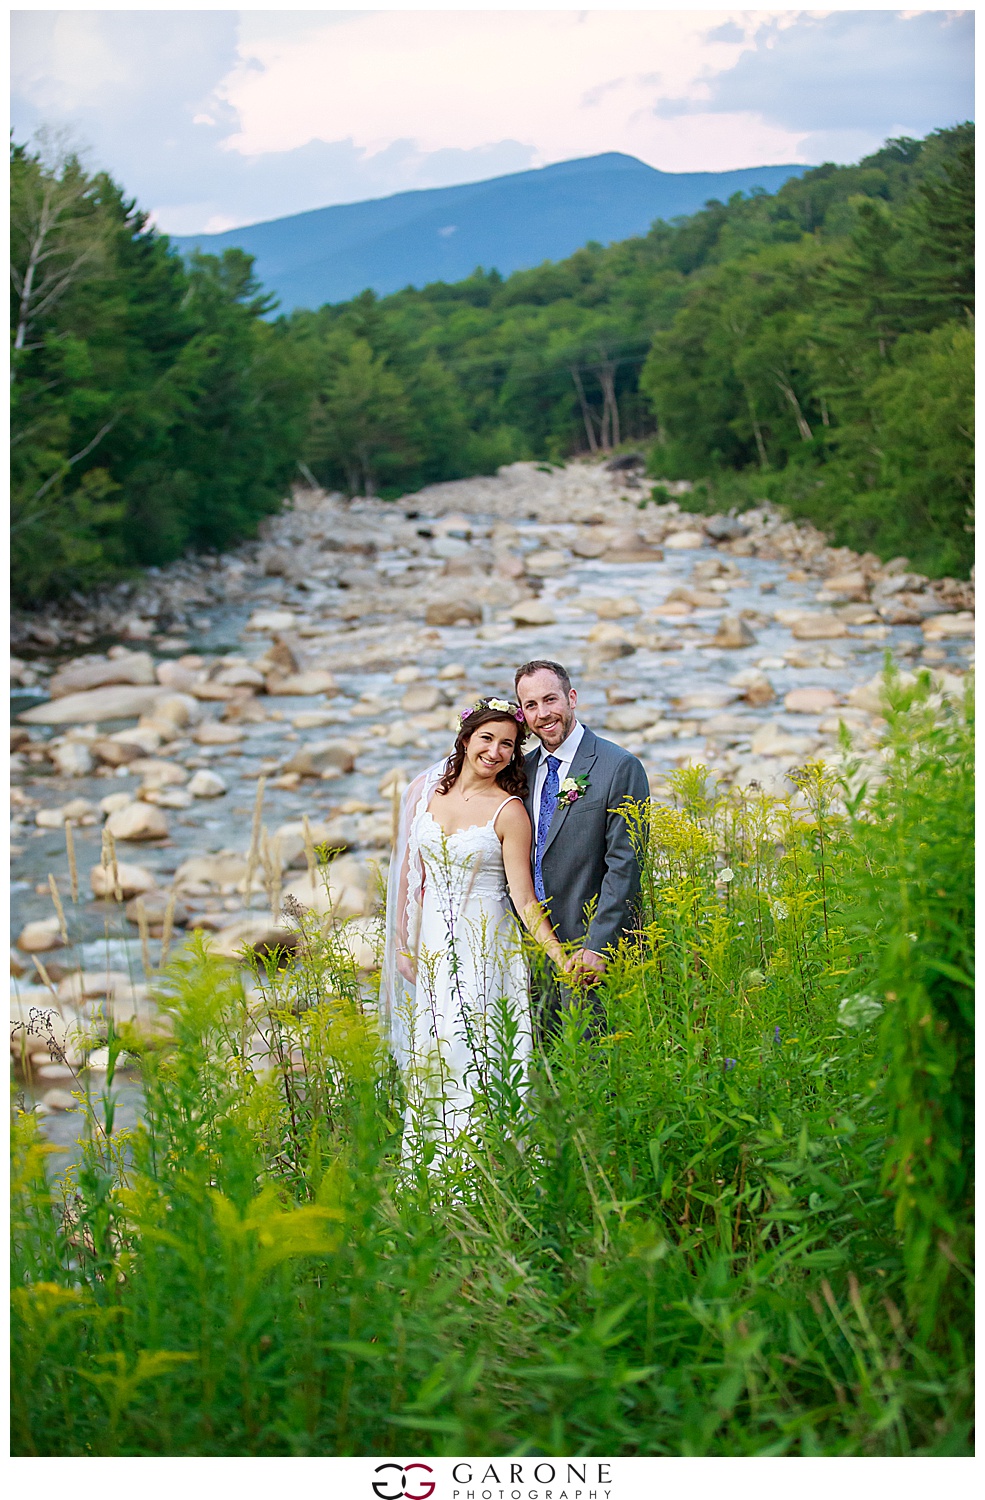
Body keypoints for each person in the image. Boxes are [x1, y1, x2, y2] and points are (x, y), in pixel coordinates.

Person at [380, 697, 564, 1147]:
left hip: (487, 945)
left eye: (508, 744)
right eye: (487, 738)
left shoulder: (510, 811)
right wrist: (404, 945)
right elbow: (409, 873)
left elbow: (523, 897)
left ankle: (489, 1165)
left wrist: (559, 955)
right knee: (436, 1049)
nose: (496, 751)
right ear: (465, 740)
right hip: (434, 946)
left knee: (480, 1048)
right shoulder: (424, 794)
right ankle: (433, 1166)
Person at [514, 659, 650, 1038]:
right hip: (533, 952)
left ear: (571, 698)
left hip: (589, 951)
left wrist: (599, 947)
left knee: (595, 1067)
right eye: (531, 706)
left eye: (550, 699)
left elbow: (626, 865)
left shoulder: (618, 766)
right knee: (544, 1071)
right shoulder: (520, 773)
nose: (543, 714)